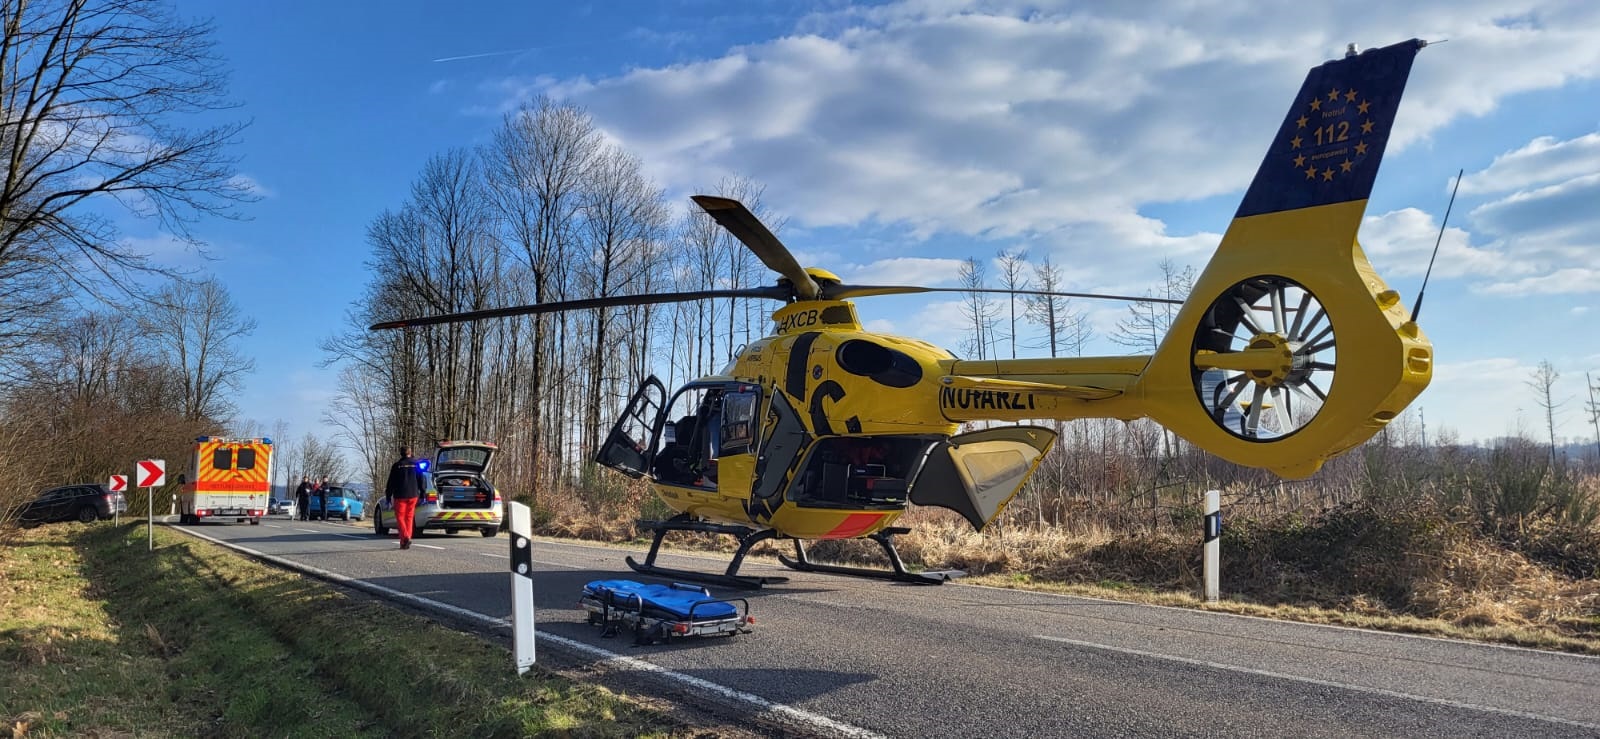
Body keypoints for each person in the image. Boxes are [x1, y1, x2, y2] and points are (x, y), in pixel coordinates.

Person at [384, 445, 428, 549]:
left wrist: (388, 495)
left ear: (401, 453)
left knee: (400, 517)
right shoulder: (416, 465)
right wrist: (422, 492)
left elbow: (391, 482)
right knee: (409, 517)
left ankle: (405, 536)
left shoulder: (397, 465)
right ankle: (405, 541)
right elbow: (421, 479)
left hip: (400, 495)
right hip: (413, 494)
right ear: (410, 452)